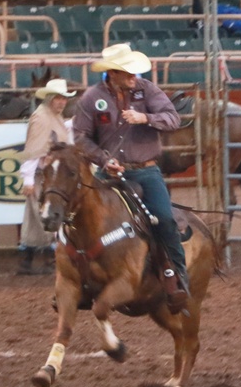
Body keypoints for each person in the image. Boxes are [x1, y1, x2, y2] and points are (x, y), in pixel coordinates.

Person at [72, 43, 190, 313]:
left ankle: (179, 280)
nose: (134, 78)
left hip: (146, 170)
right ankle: (77, 280)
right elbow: (80, 138)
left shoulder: (147, 90)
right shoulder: (91, 99)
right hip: (108, 173)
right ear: (112, 73)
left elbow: (173, 118)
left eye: (135, 73)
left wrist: (144, 117)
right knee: (78, 219)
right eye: (128, 73)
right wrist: (104, 160)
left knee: (165, 219)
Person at [17, 78, 76, 276]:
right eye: (58, 98)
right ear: (50, 98)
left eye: (64, 98)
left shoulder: (49, 115)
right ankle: (51, 260)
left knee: (35, 216)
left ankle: (27, 261)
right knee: (46, 213)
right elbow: (33, 150)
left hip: (45, 174)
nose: (61, 102)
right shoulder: (42, 118)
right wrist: (28, 179)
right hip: (43, 174)